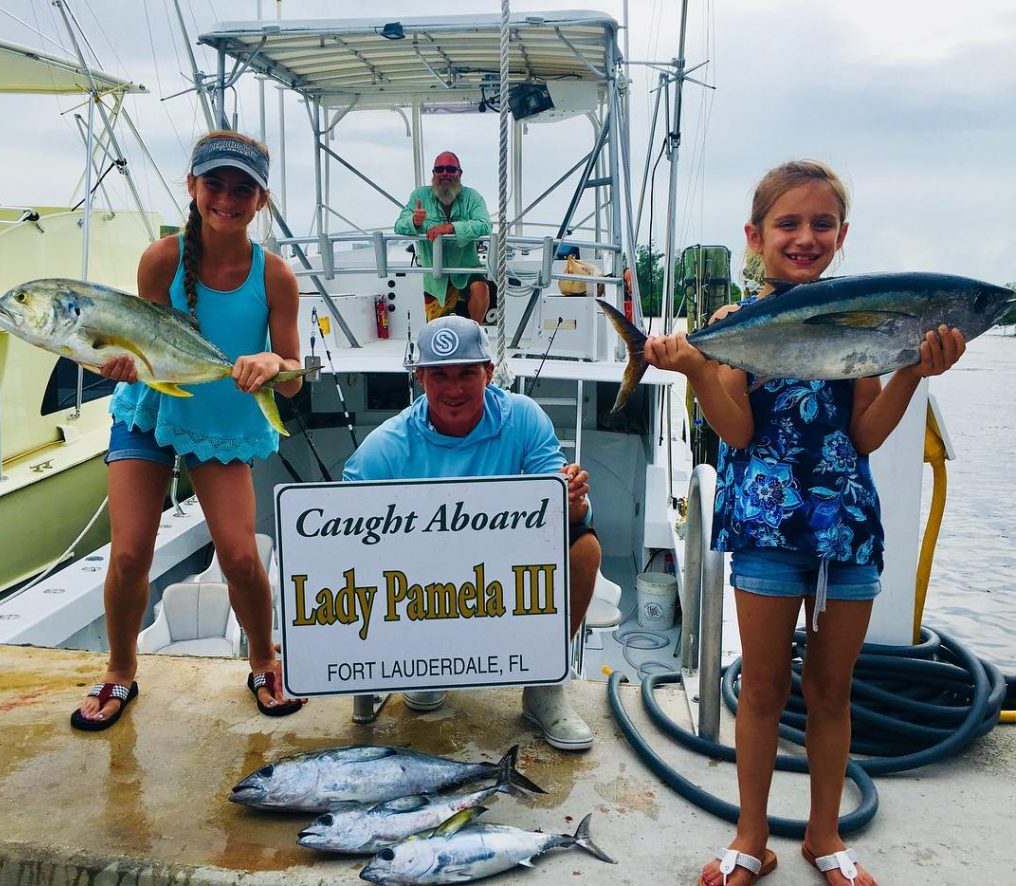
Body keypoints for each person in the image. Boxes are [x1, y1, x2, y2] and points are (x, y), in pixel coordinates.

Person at [644, 160, 966, 886]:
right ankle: (750, 837)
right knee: (761, 689)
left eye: (822, 224)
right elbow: (735, 432)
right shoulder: (734, 324)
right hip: (764, 525)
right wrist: (697, 370)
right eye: (788, 223)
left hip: (844, 528)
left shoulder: (858, 316)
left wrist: (914, 370)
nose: (805, 236)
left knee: (831, 690)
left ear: (842, 235)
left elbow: (865, 436)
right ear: (756, 236)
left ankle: (824, 835)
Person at [71, 130, 307, 730]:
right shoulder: (162, 259)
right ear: (193, 188)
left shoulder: (276, 276)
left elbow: (294, 378)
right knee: (127, 556)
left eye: (242, 189)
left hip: (220, 422)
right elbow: (141, 343)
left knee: (240, 557)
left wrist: (274, 365)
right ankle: (121, 670)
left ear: (262, 200)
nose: (227, 198)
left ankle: (263, 660)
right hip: (150, 410)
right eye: (215, 184)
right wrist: (120, 365)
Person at [342, 314, 600, 751]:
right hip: (422, 581)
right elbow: (341, 536)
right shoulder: (385, 446)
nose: (454, 388)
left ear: (489, 373)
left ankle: (543, 685)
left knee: (585, 548)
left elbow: (565, 507)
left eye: (467, 373)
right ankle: (421, 666)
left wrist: (573, 502)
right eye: (439, 375)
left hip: (505, 569)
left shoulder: (524, 418)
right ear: (420, 377)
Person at [395, 151, 492, 324]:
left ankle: (476, 332)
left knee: (481, 288)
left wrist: (452, 227)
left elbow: (485, 224)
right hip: (434, 278)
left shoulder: (473, 197)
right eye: (439, 169)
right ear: (433, 174)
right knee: (438, 331)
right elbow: (399, 225)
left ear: (459, 173)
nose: (444, 173)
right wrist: (414, 221)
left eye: (450, 169)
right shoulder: (419, 196)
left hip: (466, 270)